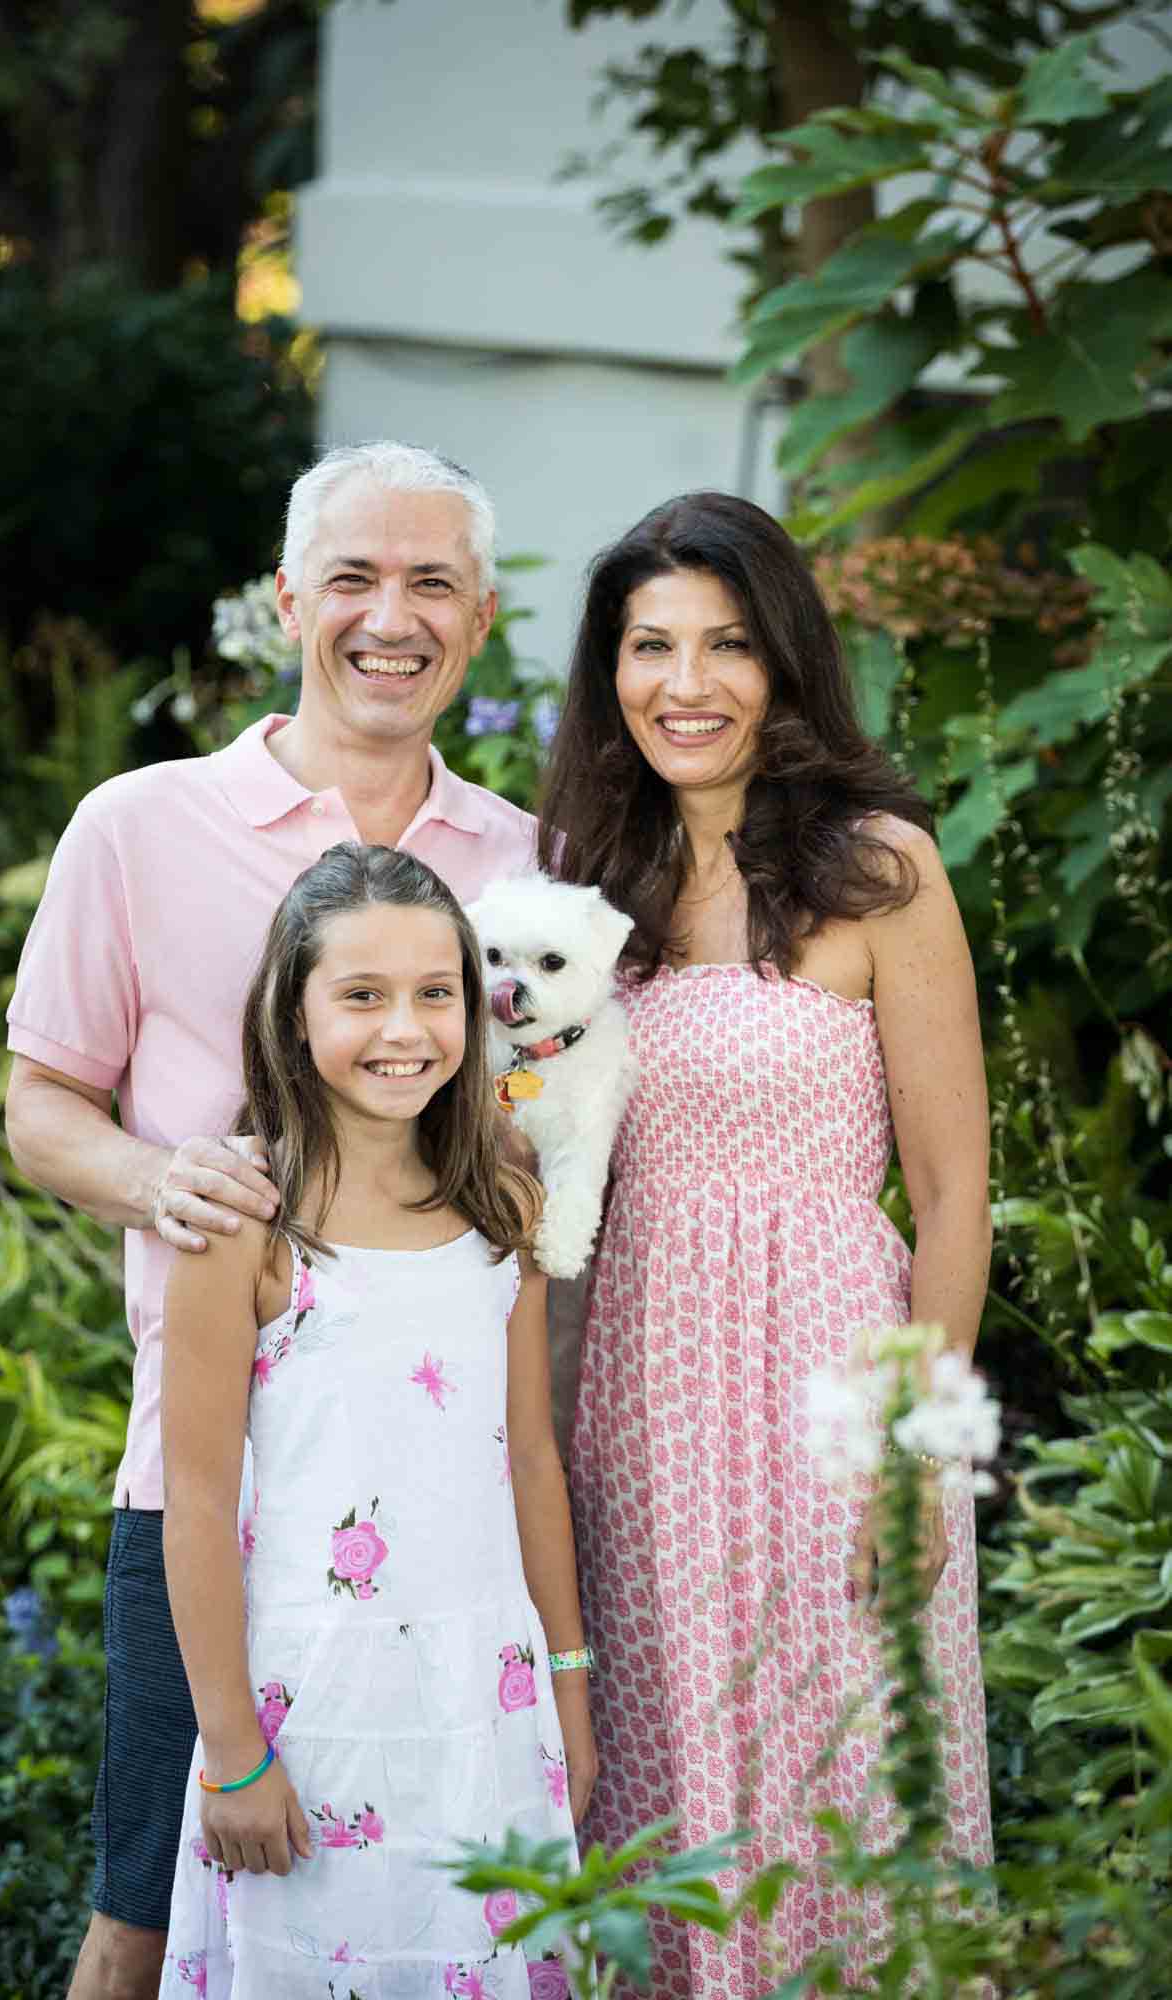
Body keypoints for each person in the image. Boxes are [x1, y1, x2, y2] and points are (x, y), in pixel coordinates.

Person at [4, 442, 538, 2000]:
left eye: (432, 581)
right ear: (286, 600)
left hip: (446, 1508)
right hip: (210, 1488)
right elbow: (42, 1103)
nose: (393, 616)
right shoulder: (137, 824)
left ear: (482, 618)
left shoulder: (526, 862)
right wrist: (154, 1180)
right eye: (355, 578)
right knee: (147, 1915)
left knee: (433, 1922)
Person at [537, 492, 993, 2000]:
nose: (686, 682)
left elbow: (948, 1189)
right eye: (650, 645)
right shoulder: (583, 886)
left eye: (726, 645)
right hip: (639, 1410)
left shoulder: (880, 870)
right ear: (609, 671)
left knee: (846, 1783)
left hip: (828, 1405)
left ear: (785, 663)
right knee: (668, 1800)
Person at [157, 840, 594, 1996]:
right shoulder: (241, 1217)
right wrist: (233, 1753)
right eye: (361, 994)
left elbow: (531, 1457)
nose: (405, 1027)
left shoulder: (501, 1197)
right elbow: (195, 1500)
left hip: (486, 1706)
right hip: (315, 1711)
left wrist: (569, 1682)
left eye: (434, 993)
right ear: (292, 1014)